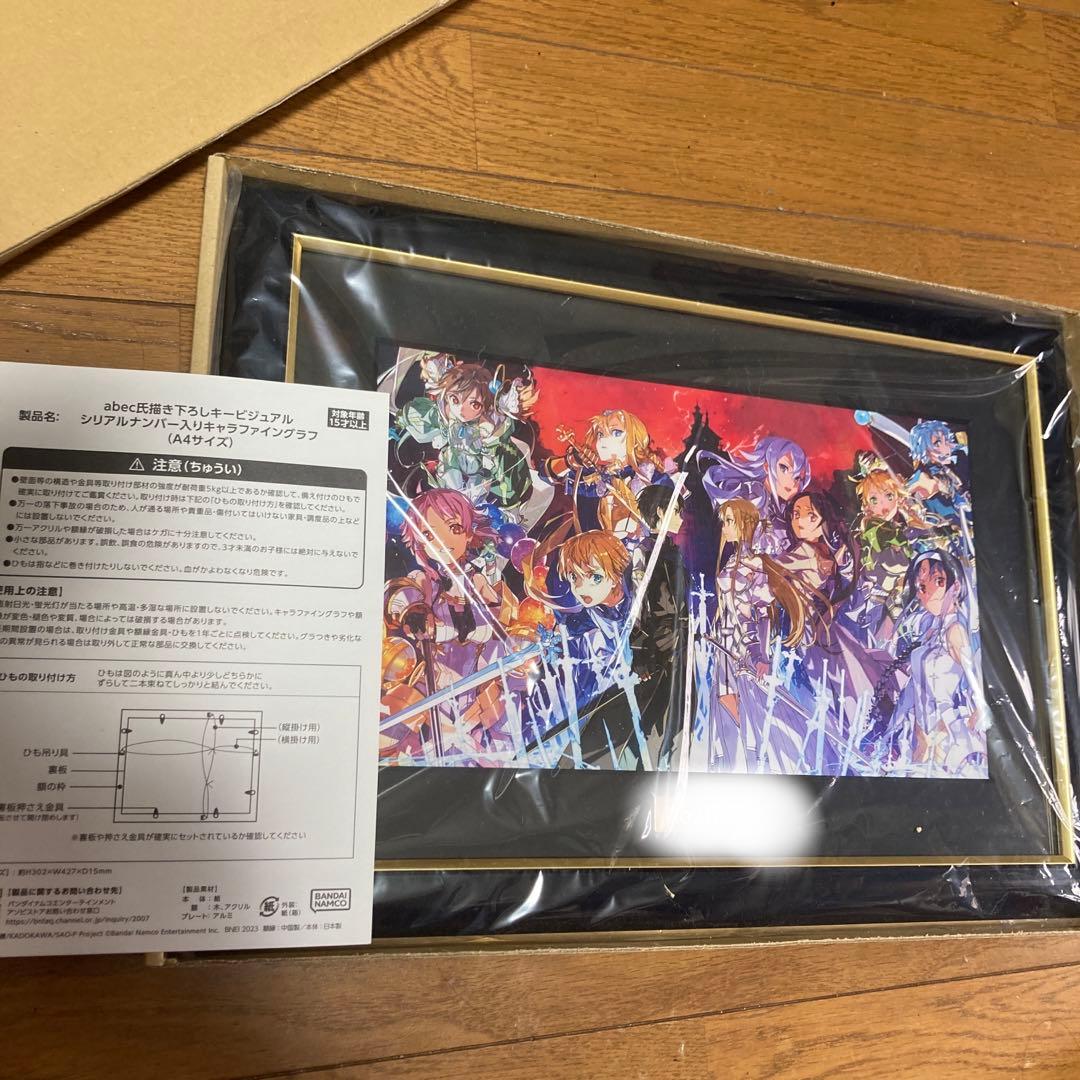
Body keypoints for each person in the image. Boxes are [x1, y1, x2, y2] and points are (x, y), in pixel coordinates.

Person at [397, 358, 536, 509]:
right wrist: (403, 420)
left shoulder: (489, 426)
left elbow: (498, 461)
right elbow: (421, 416)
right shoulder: (446, 414)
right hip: (454, 461)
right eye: (455, 399)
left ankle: (467, 507)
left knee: (475, 492)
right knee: (448, 469)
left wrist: (489, 439)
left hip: (481, 470)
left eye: (474, 404)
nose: (461, 410)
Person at [541, 408, 673, 538]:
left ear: (635, 438)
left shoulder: (654, 478)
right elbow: (545, 475)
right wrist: (570, 461)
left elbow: (671, 525)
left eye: (616, 432)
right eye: (600, 434)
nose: (604, 440)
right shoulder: (593, 477)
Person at [701, 435, 810, 555]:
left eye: (798, 477)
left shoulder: (782, 508)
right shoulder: (754, 494)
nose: (792, 482)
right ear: (767, 467)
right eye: (784, 468)